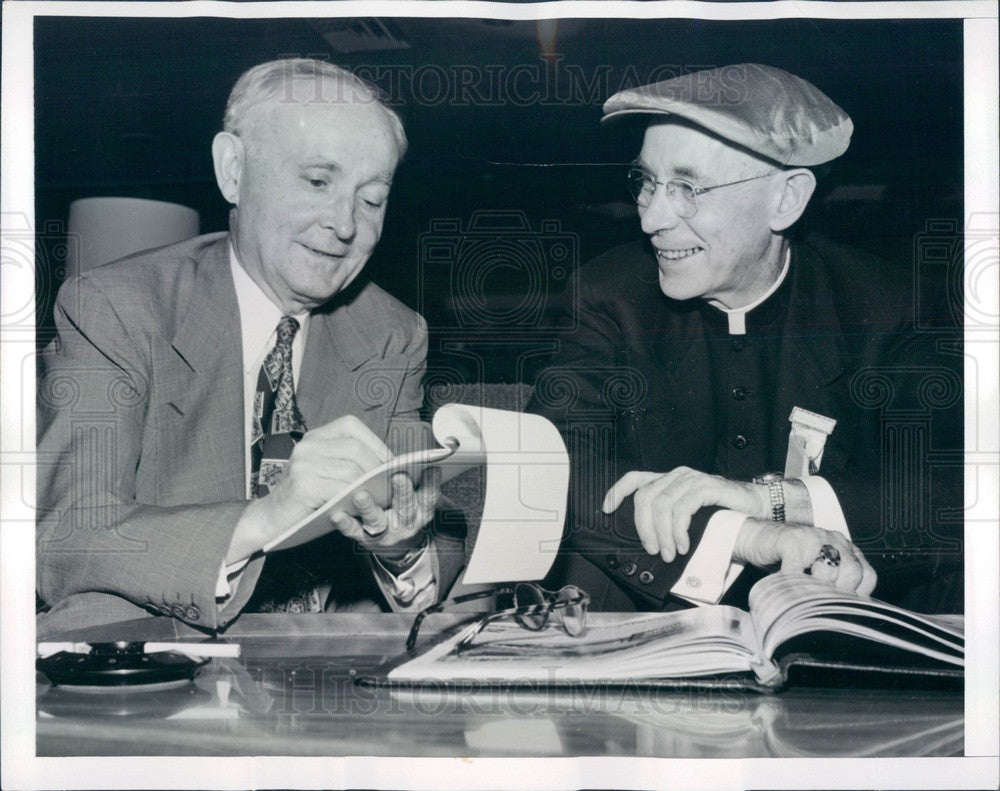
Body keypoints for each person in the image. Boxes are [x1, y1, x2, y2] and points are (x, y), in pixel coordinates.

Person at [36, 59, 464, 636]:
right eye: (317, 182)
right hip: (156, 675)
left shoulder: (392, 332)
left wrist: (401, 546)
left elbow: (430, 571)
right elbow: (68, 537)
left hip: (324, 686)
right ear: (233, 171)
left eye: (371, 199)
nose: (343, 224)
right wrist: (268, 517)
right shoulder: (115, 308)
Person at [529, 64, 963, 613]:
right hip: (659, 628)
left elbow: (955, 489)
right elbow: (550, 466)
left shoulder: (890, 305)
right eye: (646, 182)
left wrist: (768, 500)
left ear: (786, 199)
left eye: (688, 187)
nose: (652, 219)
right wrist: (751, 533)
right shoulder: (608, 295)